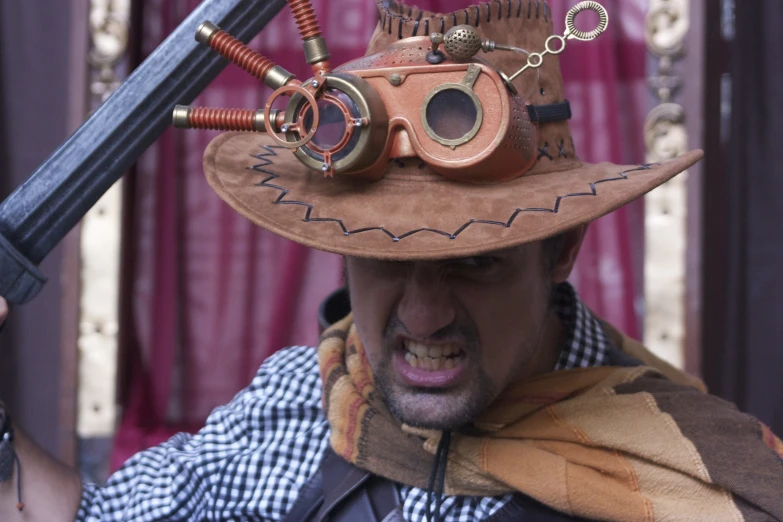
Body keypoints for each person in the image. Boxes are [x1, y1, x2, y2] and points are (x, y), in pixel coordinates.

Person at [2, 1, 783, 521]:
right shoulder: (301, 402)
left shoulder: (697, 480)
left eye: (473, 263)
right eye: (381, 257)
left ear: (559, 251)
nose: (420, 313)